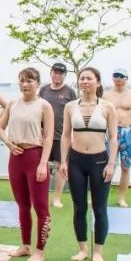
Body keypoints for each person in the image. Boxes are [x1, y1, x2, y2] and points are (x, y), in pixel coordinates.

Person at [59, 67, 117, 261]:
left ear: (97, 82)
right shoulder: (70, 106)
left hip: (99, 161)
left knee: (100, 209)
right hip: (76, 161)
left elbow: (113, 138)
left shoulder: (107, 107)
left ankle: (98, 251)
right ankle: (83, 249)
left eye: (89, 78)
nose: (84, 81)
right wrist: (64, 161)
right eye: (82, 78)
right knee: (79, 207)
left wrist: (111, 164)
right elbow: (65, 136)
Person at [0, 67, 54, 261]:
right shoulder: (12, 104)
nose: (25, 84)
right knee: (22, 205)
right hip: (16, 158)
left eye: (30, 80)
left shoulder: (44, 106)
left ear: (38, 83)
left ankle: (40, 250)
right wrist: (8, 143)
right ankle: (25, 245)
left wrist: (43, 164)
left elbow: (48, 138)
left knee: (40, 207)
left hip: (35, 157)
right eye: (22, 80)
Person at [103, 69, 131, 207]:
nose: (118, 78)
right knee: (107, 166)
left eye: (121, 76)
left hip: (128, 132)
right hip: (111, 132)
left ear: (126, 78)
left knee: (126, 168)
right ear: (112, 78)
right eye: (116, 75)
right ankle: (102, 197)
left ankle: (121, 198)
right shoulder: (105, 95)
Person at [39, 63, 76, 209]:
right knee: (42, 165)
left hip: (61, 137)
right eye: (55, 72)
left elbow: (74, 113)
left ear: (64, 75)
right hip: (43, 136)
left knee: (60, 166)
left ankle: (57, 198)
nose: (57, 75)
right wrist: (39, 130)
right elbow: (38, 110)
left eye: (61, 73)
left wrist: (72, 135)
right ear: (51, 73)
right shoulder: (44, 90)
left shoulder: (70, 92)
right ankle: (41, 197)